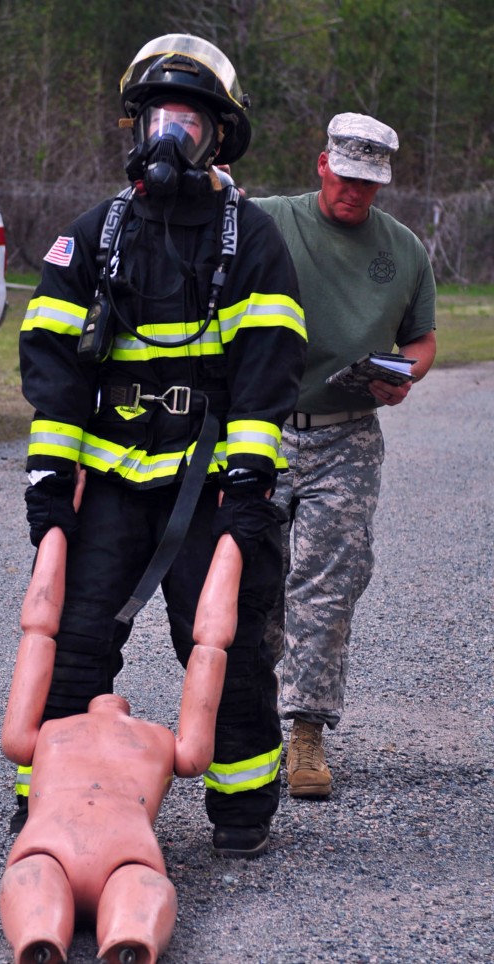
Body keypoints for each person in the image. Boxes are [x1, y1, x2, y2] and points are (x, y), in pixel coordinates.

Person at [14, 33, 307, 859]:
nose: (172, 135)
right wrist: (49, 485)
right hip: (107, 481)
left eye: (191, 121)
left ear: (219, 137)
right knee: (74, 640)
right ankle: (51, 798)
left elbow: (266, 373)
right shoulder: (91, 236)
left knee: (223, 642)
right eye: (159, 118)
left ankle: (242, 807)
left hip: (208, 484)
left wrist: (248, 492)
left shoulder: (250, 240)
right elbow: (54, 373)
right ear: (135, 127)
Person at [251, 112, 437, 799]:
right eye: (346, 177)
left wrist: (404, 375)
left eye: (369, 183)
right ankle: (247, 717)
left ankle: (305, 731)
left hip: (347, 434)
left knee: (328, 585)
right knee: (252, 580)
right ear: (322, 164)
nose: (354, 193)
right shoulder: (268, 220)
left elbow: (422, 339)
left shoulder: (404, 251)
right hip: (263, 429)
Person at [0, 526, 238, 964]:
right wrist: (231, 544)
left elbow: (37, 632)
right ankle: (120, 938)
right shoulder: (159, 741)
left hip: (51, 842)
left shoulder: (51, 734)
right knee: (136, 884)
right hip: (126, 850)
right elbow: (210, 646)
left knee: (37, 875)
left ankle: (45, 938)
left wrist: (54, 533)